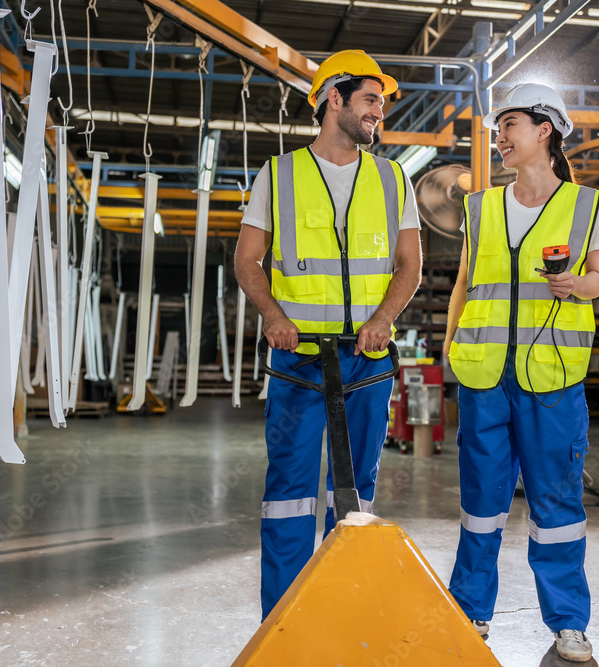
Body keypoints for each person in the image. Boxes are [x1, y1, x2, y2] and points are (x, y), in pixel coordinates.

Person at [234, 49, 423, 620]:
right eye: (370, 100)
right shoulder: (279, 174)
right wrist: (273, 315)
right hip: (299, 360)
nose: (378, 113)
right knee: (289, 492)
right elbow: (248, 260)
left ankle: (343, 611)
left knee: (356, 492)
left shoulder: (393, 178)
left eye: (382, 105)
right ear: (333, 99)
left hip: (365, 359)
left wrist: (383, 319)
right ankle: (286, 622)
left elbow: (409, 264)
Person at [443, 83, 599, 663]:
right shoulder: (480, 206)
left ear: (544, 131)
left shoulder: (585, 205)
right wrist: (449, 344)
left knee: (556, 506)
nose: (499, 136)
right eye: (498, 126)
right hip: (485, 375)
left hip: (552, 380)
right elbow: (465, 282)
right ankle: (471, 612)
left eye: (510, 124)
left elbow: (597, 281)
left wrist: (575, 285)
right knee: (480, 503)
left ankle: (569, 623)